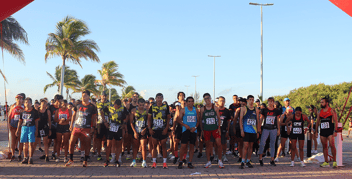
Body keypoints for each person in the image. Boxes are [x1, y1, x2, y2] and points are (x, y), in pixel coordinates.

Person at [65, 90, 97, 167]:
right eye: (82, 95)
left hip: (86, 128)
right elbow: (73, 115)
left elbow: (94, 118)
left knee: (87, 144)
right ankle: (71, 160)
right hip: (77, 127)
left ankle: (85, 160)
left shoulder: (92, 107)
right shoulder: (77, 104)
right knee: (71, 142)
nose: (83, 97)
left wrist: (93, 127)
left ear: (89, 97)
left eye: (85, 95)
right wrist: (71, 125)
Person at [200, 93, 224, 168]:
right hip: (207, 129)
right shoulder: (202, 109)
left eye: (208, 98)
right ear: (204, 100)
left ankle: (220, 160)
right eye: (206, 99)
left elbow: (219, 118)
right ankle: (208, 161)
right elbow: (200, 120)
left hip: (215, 129)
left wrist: (219, 128)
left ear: (210, 98)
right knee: (208, 146)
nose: (207, 100)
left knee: (219, 144)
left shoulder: (215, 108)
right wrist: (202, 130)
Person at [148, 93, 171, 169]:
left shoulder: (165, 107)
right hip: (154, 129)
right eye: (158, 98)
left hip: (163, 129)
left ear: (162, 99)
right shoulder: (152, 107)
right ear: (155, 99)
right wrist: (150, 128)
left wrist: (166, 128)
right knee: (154, 146)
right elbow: (149, 118)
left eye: (160, 98)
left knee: (163, 146)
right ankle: (154, 162)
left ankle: (164, 163)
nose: (159, 99)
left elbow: (168, 118)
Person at [103, 99, 128, 167]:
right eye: (115, 106)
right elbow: (101, 112)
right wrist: (105, 121)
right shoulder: (109, 107)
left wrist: (124, 124)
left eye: (118, 106)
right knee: (108, 144)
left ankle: (117, 160)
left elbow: (127, 116)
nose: (116, 107)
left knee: (118, 144)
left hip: (119, 128)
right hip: (110, 127)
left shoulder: (123, 108)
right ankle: (107, 160)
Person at [177, 96, 199, 169]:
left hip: (193, 130)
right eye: (189, 101)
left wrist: (195, 127)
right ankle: (180, 161)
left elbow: (198, 121)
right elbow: (178, 120)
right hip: (185, 130)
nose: (190, 103)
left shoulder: (195, 110)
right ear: (186, 102)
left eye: (192, 101)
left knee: (192, 146)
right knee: (183, 146)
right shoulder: (183, 110)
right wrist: (184, 125)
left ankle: (190, 162)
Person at [315, 97, 338, 168]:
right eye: (321, 102)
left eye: (322, 102)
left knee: (332, 145)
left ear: (326, 103)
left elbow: (336, 121)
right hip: (323, 131)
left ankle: (334, 161)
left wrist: (335, 130)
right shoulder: (319, 112)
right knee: (324, 147)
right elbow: (317, 122)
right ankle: (326, 162)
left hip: (330, 131)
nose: (321, 104)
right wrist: (316, 131)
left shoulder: (332, 110)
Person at [258, 97, 281, 166]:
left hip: (273, 129)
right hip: (265, 128)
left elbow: (277, 120)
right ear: (267, 102)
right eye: (269, 101)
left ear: (273, 102)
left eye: (272, 101)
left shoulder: (276, 111)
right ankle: (260, 158)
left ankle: (272, 159)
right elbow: (261, 119)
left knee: (273, 144)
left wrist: (278, 129)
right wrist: (259, 128)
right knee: (262, 143)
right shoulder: (264, 110)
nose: (270, 103)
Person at [239, 95, 260, 169]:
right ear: (247, 100)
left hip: (253, 131)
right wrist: (241, 130)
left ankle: (248, 161)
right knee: (245, 146)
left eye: (252, 100)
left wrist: (258, 131)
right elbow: (240, 120)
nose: (251, 101)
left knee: (251, 146)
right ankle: (242, 161)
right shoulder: (243, 108)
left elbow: (258, 120)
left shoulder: (256, 109)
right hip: (246, 130)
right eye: (250, 99)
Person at [16, 97, 39, 164]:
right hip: (24, 128)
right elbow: (20, 121)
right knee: (24, 144)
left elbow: (37, 121)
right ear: (24, 103)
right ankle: (25, 157)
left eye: (29, 102)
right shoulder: (22, 112)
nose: (27, 104)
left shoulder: (34, 112)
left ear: (31, 103)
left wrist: (36, 130)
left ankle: (30, 157)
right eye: (26, 102)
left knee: (30, 144)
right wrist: (17, 129)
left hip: (32, 127)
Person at [130, 98, 148, 168]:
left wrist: (145, 129)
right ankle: (134, 161)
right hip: (136, 130)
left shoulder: (146, 111)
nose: (141, 106)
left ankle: (144, 161)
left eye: (143, 105)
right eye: (140, 105)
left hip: (143, 131)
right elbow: (131, 122)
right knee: (135, 147)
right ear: (137, 104)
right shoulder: (133, 111)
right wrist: (134, 132)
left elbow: (149, 122)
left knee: (143, 146)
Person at [8, 94, 24, 161]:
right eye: (17, 99)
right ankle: (13, 154)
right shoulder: (13, 106)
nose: (19, 100)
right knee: (13, 140)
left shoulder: (24, 107)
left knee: (20, 141)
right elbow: (9, 115)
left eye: (20, 99)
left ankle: (20, 154)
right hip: (13, 125)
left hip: (21, 125)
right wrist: (9, 124)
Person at [96, 91, 111, 161]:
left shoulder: (109, 103)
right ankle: (99, 154)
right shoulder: (97, 103)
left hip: (108, 123)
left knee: (108, 139)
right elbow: (96, 113)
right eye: (103, 96)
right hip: (99, 123)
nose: (104, 97)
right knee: (99, 139)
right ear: (100, 96)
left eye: (105, 96)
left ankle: (109, 154)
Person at [125, 92, 139, 160]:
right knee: (129, 139)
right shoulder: (129, 105)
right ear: (132, 97)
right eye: (134, 96)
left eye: (136, 96)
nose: (135, 98)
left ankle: (136, 153)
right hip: (129, 124)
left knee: (136, 140)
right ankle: (128, 153)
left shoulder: (139, 105)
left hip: (137, 124)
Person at [48, 94, 63, 160]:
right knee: (49, 141)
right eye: (61, 100)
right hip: (51, 126)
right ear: (57, 100)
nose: (62, 101)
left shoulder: (62, 108)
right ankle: (46, 153)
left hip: (59, 126)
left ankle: (54, 153)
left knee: (57, 141)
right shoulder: (51, 107)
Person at [172, 92, 186, 164]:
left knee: (185, 143)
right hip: (179, 127)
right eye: (180, 95)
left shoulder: (187, 107)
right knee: (176, 142)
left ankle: (184, 158)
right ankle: (176, 156)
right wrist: (173, 129)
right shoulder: (178, 108)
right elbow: (175, 119)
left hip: (186, 127)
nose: (182, 97)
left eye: (183, 95)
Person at [217, 96, 232, 163]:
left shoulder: (227, 111)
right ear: (218, 102)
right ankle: (216, 155)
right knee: (216, 143)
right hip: (216, 129)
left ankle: (224, 155)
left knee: (224, 143)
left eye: (223, 101)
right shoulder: (215, 110)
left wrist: (227, 130)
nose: (222, 102)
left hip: (224, 128)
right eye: (220, 101)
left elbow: (229, 121)